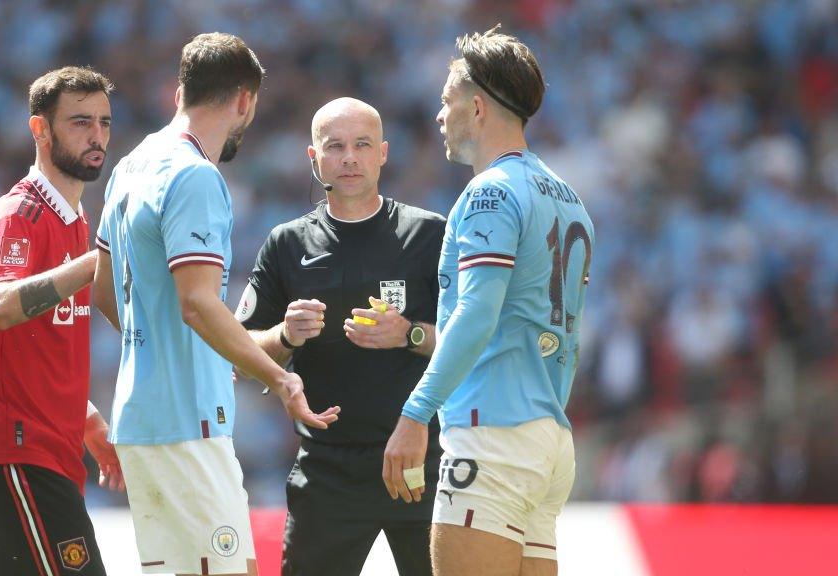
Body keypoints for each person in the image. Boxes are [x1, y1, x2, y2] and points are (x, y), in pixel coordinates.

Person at [93, 33, 340, 576]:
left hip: (137, 419)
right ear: (245, 100)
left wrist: (190, 352)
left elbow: (104, 291)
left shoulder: (131, 166)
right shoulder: (195, 175)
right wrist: (281, 378)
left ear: (179, 91)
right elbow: (199, 305)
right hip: (188, 425)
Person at [383, 25, 595, 576]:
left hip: (492, 434)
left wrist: (415, 412)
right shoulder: (571, 201)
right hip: (547, 438)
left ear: (477, 108)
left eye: (447, 100)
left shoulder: (490, 193)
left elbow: (479, 314)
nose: (439, 115)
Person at [236, 97, 445, 576]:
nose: (349, 157)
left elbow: (471, 339)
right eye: (335, 147)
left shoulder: (429, 235)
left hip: (416, 458)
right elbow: (237, 352)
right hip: (328, 468)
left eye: (362, 144)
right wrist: (286, 335)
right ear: (314, 158)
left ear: (383, 154)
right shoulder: (287, 244)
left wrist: (409, 333)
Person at [0, 66, 125, 576]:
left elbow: (43, 348)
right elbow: (3, 305)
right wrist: (94, 263)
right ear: (40, 130)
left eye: (103, 121)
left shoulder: (76, 224)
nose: (96, 135)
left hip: (47, 453)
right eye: (79, 122)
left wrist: (87, 418)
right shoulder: (20, 216)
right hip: (17, 454)